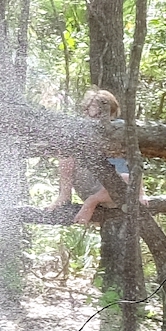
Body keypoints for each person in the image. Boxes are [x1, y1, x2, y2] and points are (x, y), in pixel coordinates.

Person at [55, 87, 132, 226]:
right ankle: (64, 196)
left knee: (128, 179)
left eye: (104, 116)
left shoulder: (118, 135)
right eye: (94, 116)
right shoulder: (80, 135)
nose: (99, 122)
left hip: (113, 196)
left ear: (112, 115)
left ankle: (93, 201)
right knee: (66, 153)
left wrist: (92, 201)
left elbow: (128, 176)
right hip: (88, 187)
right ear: (86, 113)